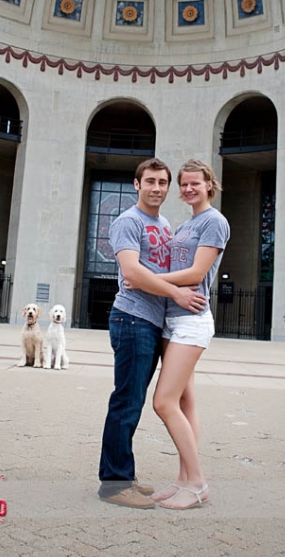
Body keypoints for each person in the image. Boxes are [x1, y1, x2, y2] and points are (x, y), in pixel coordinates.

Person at [98, 157, 206, 509]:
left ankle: (124, 476)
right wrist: (176, 293)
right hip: (132, 318)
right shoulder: (128, 221)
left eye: (162, 182)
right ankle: (114, 484)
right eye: (150, 182)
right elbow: (132, 271)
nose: (157, 188)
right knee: (127, 401)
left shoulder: (164, 222)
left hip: (155, 323)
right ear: (137, 184)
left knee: (139, 401)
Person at [122, 158, 230, 510]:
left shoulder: (214, 221)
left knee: (163, 402)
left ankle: (198, 483)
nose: (188, 189)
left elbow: (197, 272)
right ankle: (183, 479)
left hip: (191, 319)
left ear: (209, 185)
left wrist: (143, 279)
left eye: (194, 183)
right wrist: (153, 281)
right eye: (183, 184)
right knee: (185, 402)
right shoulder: (186, 224)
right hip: (172, 318)